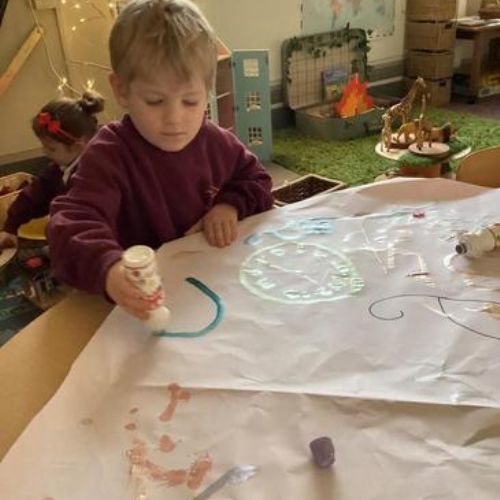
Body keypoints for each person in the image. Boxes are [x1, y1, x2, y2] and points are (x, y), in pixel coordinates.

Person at [48, 0, 273, 321]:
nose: (174, 119)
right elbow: (68, 226)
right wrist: (109, 269)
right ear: (121, 90)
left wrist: (229, 205)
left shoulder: (215, 141)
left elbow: (256, 180)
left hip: (210, 292)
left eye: (191, 101)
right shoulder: (109, 154)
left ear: (207, 91)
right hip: (140, 308)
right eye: (154, 101)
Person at [0, 91, 105, 248]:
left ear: (77, 146)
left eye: (51, 148)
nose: (45, 152)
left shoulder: (95, 175)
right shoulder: (60, 167)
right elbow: (35, 193)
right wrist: (11, 226)